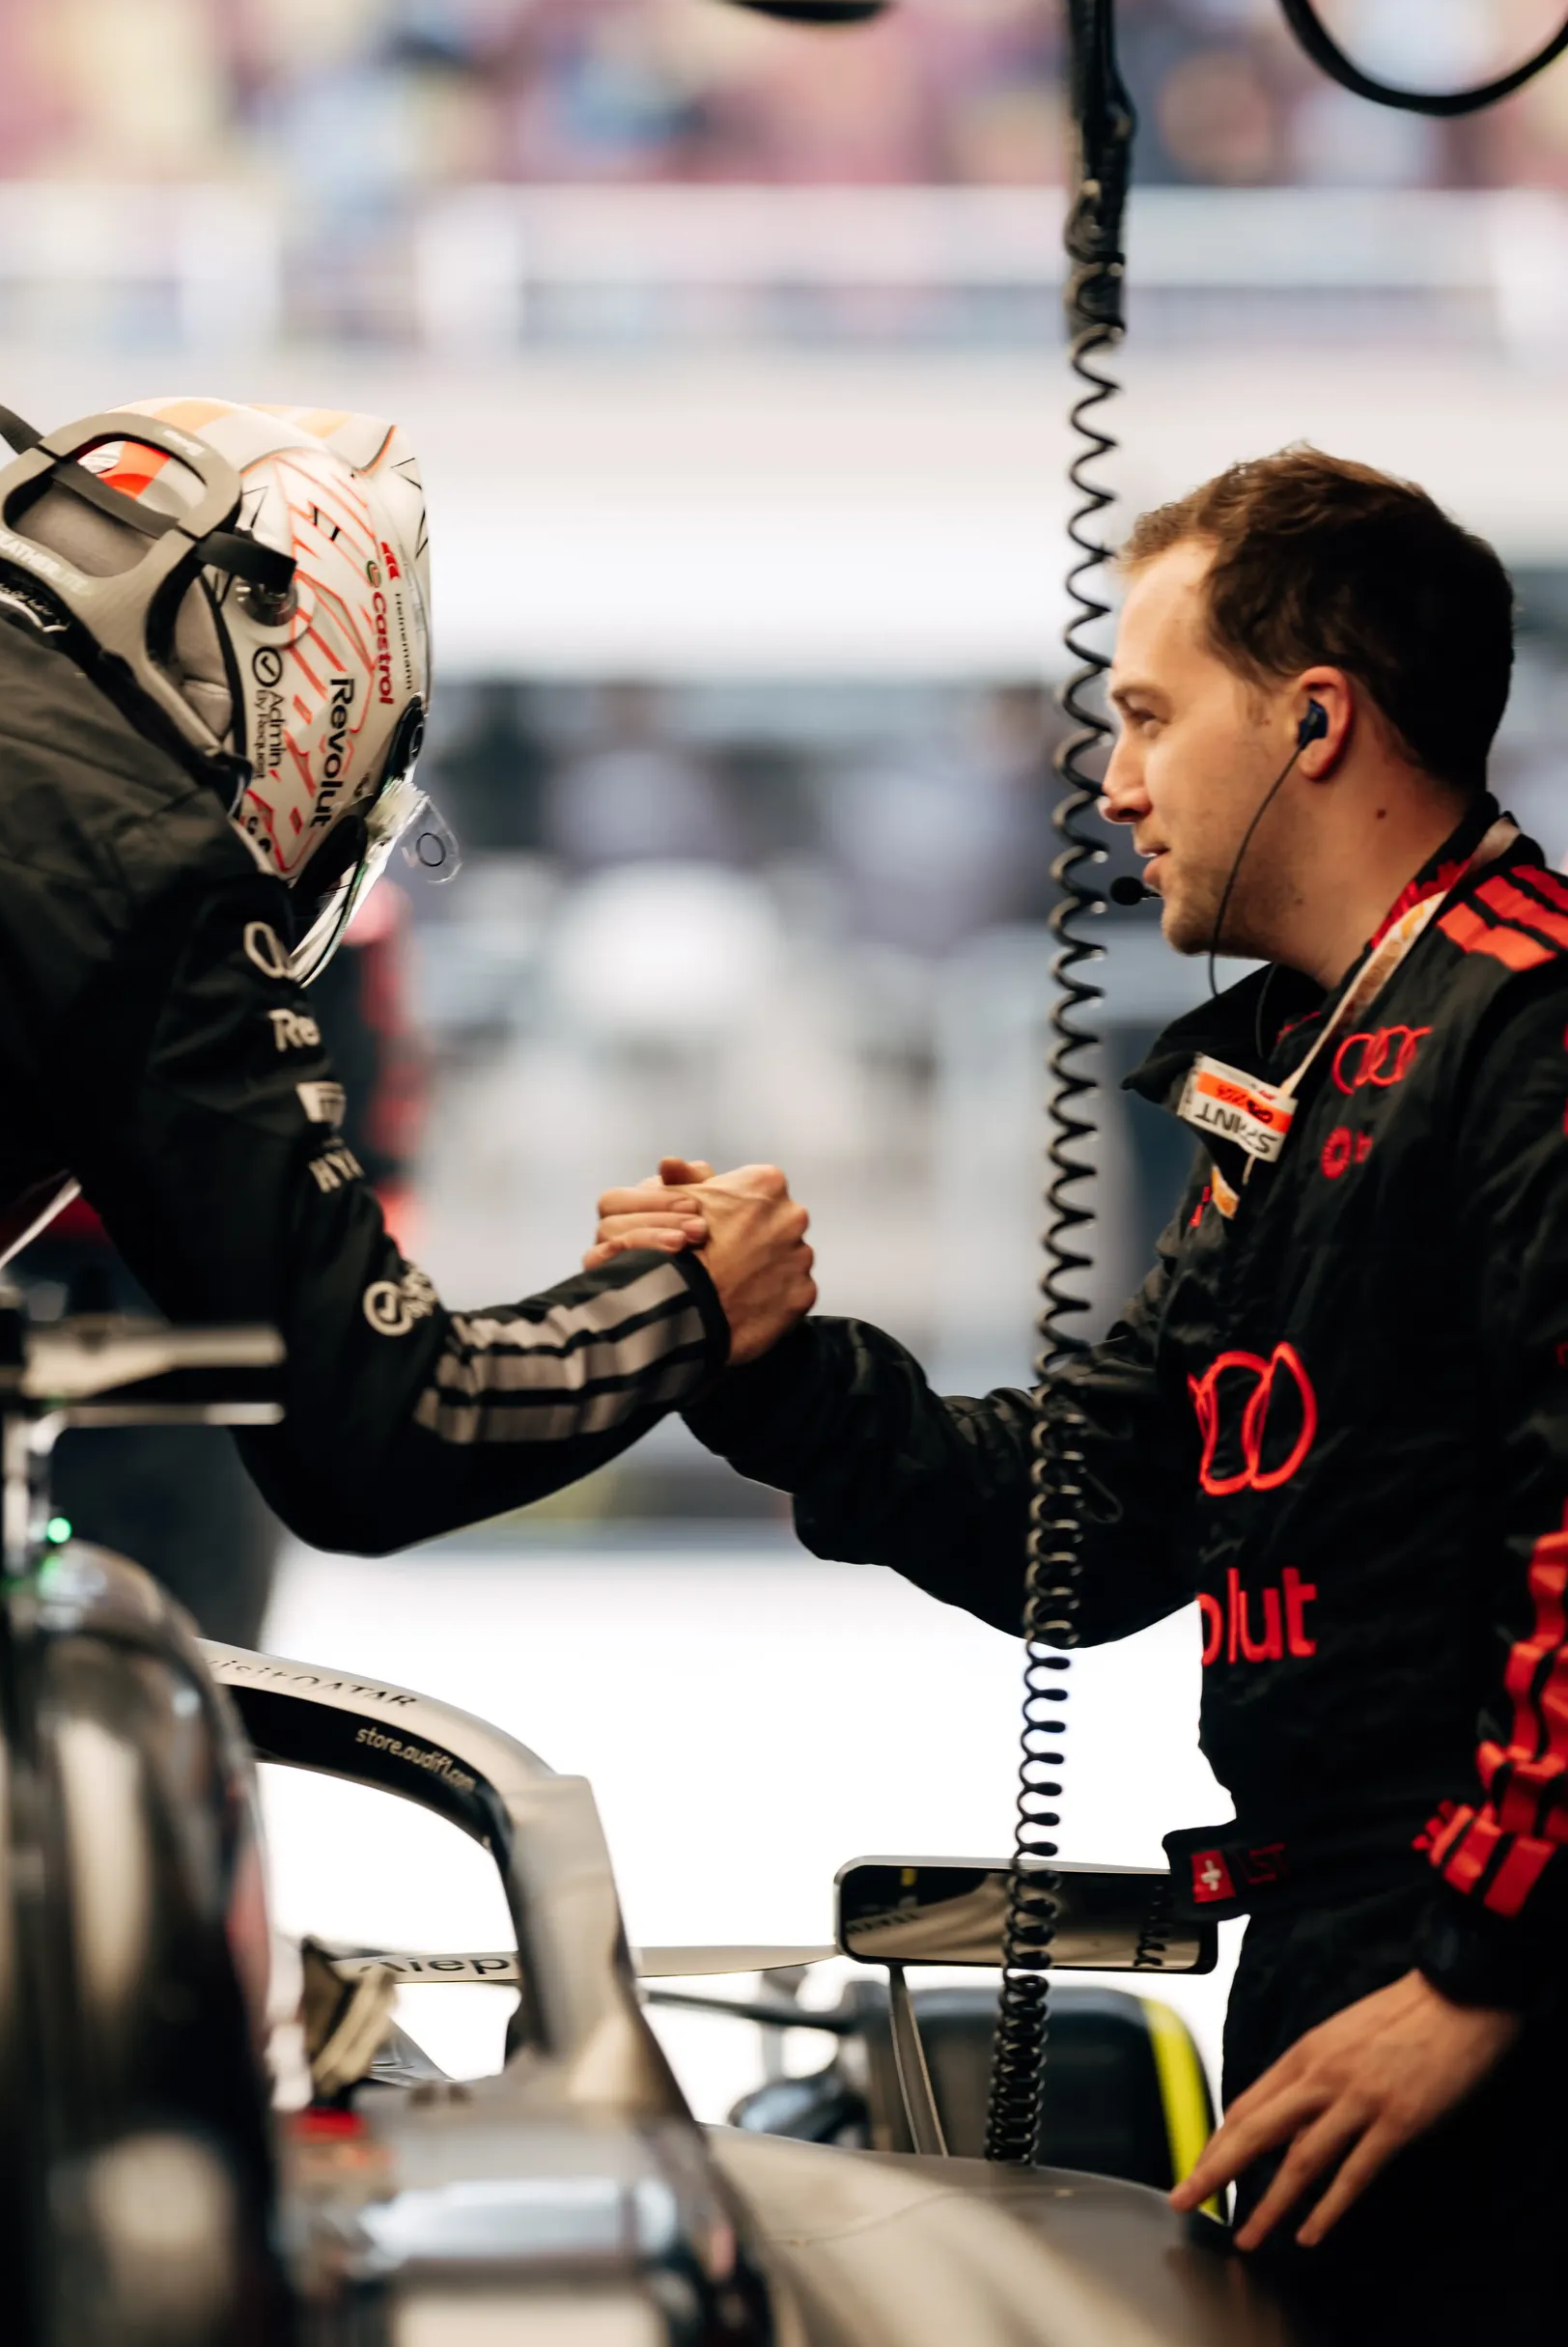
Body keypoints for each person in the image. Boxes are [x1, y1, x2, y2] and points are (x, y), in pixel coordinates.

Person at [593, 449, 1567, 2337]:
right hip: (1365, 1942)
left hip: (1480, 1982)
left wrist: (1478, 1975)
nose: (1111, 782)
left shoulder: (1523, 1027)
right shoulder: (1312, 1057)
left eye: (1143, 715)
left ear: (1314, 720)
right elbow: (1101, 1515)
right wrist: (776, 1368)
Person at [0, 390, 814, 2044]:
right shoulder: (128, 852)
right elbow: (385, 1432)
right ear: (315, 705)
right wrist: (682, 1306)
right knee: (80, 1963)